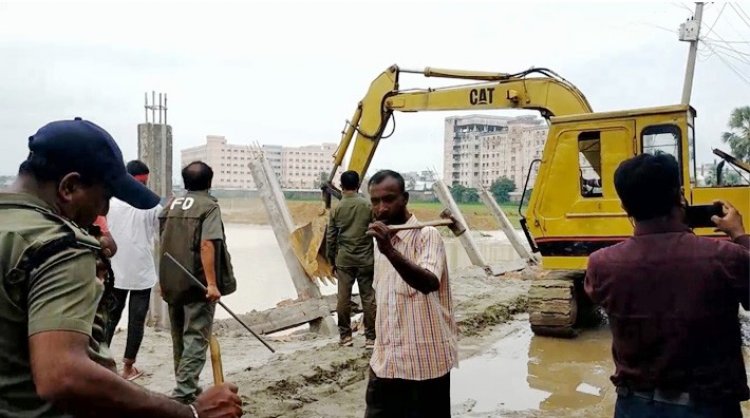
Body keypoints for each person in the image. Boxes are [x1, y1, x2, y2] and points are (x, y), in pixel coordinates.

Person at [0, 118, 242, 417]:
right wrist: (189, 413)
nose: (103, 210)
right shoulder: (58, 246)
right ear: (69, 187)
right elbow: (62, 375)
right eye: (105, 197)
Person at [584, 153, 749, 418]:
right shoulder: (726, 257)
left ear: (626, 208)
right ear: (680, 197)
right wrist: (740, 236)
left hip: (634, 406)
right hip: (710, 406)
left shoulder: (601, 265)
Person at [364, 169, 458, 418]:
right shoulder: (382, 243)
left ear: (404, 198)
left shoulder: (427, 236)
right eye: (375, 201)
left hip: (424, 365)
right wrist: (385, 248)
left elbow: (428, 283)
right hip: (386, 362)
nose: (381, 208)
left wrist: (390, 251)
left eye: (388, 199)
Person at [160, 161, 237, 404]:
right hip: (197, 284)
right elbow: (207, 244)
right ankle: (184, 393)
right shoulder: (208, 207)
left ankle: (187, 386)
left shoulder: (171, 205)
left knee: (179, 337)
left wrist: (162, 279)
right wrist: (212, 284)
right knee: (195, 336)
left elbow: (162, 242)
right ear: (210, 181)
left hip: (173, 280)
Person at [105, 160, 162, 381]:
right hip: (138, 272)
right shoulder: (152, 206)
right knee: (133, 321)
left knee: (111, 318)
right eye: (142, 182)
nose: (144, 187)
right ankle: (127, 369)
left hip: (119, 273)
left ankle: (104, 365)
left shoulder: (108, 202)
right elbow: (160, 235)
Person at [326, 170, 376, 348]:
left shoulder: (337, 209)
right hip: (365, 259)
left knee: (343, 299)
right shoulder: (368, 206)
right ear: (358, 184)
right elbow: (377, 229)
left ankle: (345, 337)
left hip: (344, 260)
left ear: (341, 186)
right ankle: (371, 338)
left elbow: (331, 237)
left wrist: (331, 261)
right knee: (368, 297)